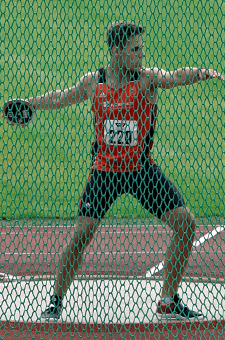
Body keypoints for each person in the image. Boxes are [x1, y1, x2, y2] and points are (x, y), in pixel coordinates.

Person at [4, 21, 224, 321]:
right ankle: (55, 302)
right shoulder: (94, 82)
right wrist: (30, 104)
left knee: (186, 224)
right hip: (105, 171)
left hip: (140, 170)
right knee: (82, 234)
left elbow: (174, 77)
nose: (141, 54)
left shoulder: (146, 80)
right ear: (116, 51)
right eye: (135, 49)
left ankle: (168, 301)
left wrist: (200, 73)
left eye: (141, 48)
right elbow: (62, 97)